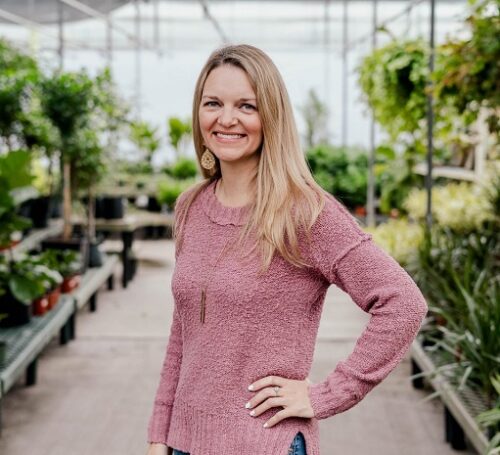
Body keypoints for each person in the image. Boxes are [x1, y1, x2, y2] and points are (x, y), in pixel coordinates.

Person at [146, 44, 428, 455]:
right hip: (184, 445)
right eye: (213, 103)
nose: (227, 119)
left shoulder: (305, 213)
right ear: (198, 113)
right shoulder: (190, 207)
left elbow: (403, 303)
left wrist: (324, 396)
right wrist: (159, 432)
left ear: (271, 116)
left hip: (265, 445)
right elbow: (184, 331)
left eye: (246, 106)